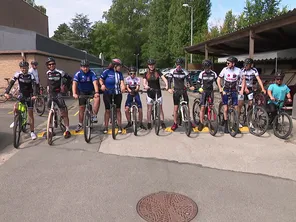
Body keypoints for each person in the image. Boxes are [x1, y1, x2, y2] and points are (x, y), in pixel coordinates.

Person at [4, 61, 37, 140]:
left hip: (29, 95)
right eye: (22, 68)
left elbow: (34, 85)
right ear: (20, 68)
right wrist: (6, 92)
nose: (23, 69)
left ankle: (32, 132)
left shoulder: (31, 75)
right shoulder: (18, 74)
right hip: (21, 94)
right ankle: (16, 120)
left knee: (30, 114)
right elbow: (11, 83)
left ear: (27, 68)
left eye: (25, 68)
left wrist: (35, 95)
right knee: (16, 107)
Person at [217, 56, 245, 134]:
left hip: (234, 90)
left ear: (233, 63)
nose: (227, 64)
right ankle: (226, 125)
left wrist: (242, 90)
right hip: (225, 90)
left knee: (236, 108)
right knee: (226, 109)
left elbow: (243, 79)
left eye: (228, 63)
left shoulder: (238, 70)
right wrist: (220, 88)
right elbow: (218, 79)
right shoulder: (224, 70)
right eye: (227, 62)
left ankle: (235, 125)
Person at [46, 57, 72, 138]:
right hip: (50, 94)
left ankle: (67, 130)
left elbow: (69, 78)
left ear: (55, 64)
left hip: (58, 94)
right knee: (49, 112)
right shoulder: (47, 73)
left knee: (63, 112)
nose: (51, 65)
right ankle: (50, 130)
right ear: (48, 65)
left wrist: (65, 86)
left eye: (53, 64)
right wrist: (47, 87)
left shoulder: (60, 72)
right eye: (50, 64)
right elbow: (49, 82)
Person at [72, 59, 100, 132]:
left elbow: (95, 83)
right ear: (81, 67)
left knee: (97, 98)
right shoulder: (78, 74)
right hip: (82, 92)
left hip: (91, 91)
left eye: (87, 67)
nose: (85, 68)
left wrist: (96, 92)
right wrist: (74, 93)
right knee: (81, 108)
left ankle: (94, 115)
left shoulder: (92, 73)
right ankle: (80, 124)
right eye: (83, 67)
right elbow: (74, 84)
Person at [237, 58, 266, 127]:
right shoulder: (242, 70)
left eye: (247, 64)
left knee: (251, 104)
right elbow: (243, 80)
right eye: (245, 64)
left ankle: (249, 121)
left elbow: (258, 79)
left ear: (251, 65)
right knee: (240, 104)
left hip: (250, 88)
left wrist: (263, 88)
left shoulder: (254, 70)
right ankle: (237, 121)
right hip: (241, 88)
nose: (246, 66)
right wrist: (245, 88)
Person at [167, 58, 195, 131]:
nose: (179, 66)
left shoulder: (185, 72)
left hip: (183, 90)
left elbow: (189, 80)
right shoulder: (172, 71)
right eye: (177, 64)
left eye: (180, 65)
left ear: (182, 65)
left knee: (187, 106)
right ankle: (175, 123)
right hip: (176, 91)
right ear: (176, 64)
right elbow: (169, 80)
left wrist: (192, 86)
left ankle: (189, 121)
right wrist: (169, 88)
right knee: (176, 108)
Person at [99, 58, 125, 134]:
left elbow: (122, 82)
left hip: (117, 93)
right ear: (115, 65)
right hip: (107, 93)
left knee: (118, 110)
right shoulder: (106, 72)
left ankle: (119, 126)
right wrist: (102, 85)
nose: (120, 67)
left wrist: (123, 86)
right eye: (119, 66)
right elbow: (100, 79)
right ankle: (106, 127)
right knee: (107, 110)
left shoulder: (119, 73)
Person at [143, 58, 168, 130]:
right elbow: (144, 82)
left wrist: (166, 85)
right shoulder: (146, 73)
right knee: (149, 108)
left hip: (158, 91)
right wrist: (145, 86)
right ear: (148, 65)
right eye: (150, 65)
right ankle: (149, 122)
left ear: (154, 65)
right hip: (150, 92)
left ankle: (162, 122)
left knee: (160, 108)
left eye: (152, 65)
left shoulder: (158, 71)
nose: (151, 66)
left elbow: (164, 79)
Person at [196, 59, 218, 131]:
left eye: (208, 67)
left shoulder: (214, 73)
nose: (206, 68)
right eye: (205, 67)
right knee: (203, 108)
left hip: (211, 91)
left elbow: (217, 82)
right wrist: (199, 88)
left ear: (210, 66)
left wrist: (219, 87)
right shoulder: (202, 73)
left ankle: (209, 123)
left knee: (210, 107)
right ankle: (201, 123)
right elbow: (198, 83)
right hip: (204, 91)